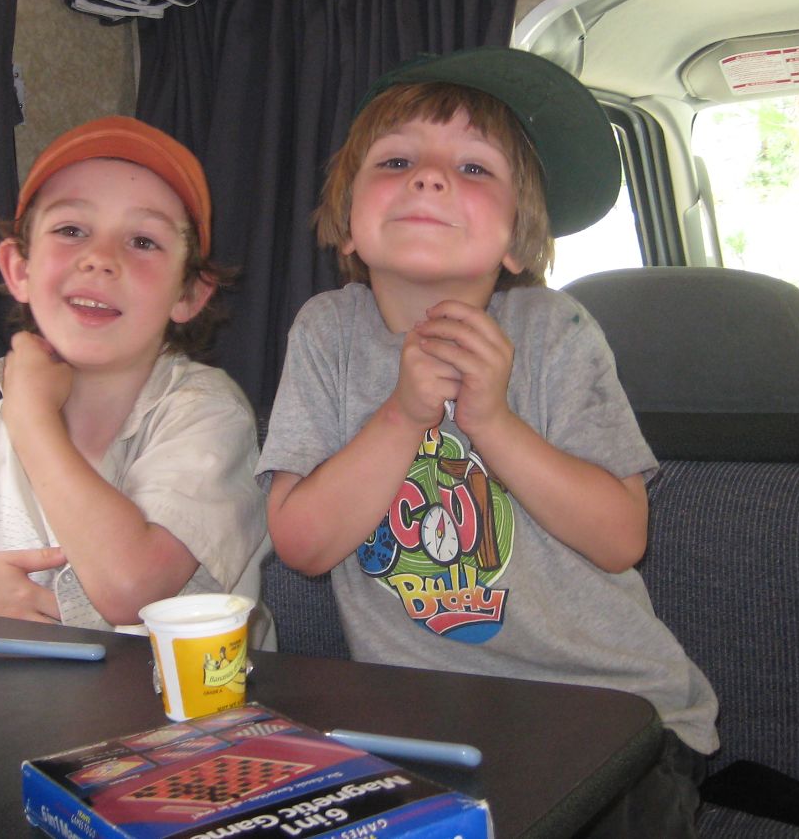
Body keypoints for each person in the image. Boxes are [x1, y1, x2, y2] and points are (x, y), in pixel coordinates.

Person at [257, 48, 717, 835]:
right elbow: (302, 544)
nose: (429, 179)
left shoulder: (554, 331)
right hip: (424, 717)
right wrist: (401, 415)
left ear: (516, 244)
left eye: (473, 168)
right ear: (350, 224)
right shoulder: (328, 333)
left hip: (610, 707)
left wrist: (492, 420)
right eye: (396, 160)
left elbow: (621, 538)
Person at [0, 116, 271, 644]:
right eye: (71, 230)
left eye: (143, 241)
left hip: (183, 696)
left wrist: (33, 420)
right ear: (19, 269)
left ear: (189, 294)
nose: (100, 259)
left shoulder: (207, 412)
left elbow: (131, 587)